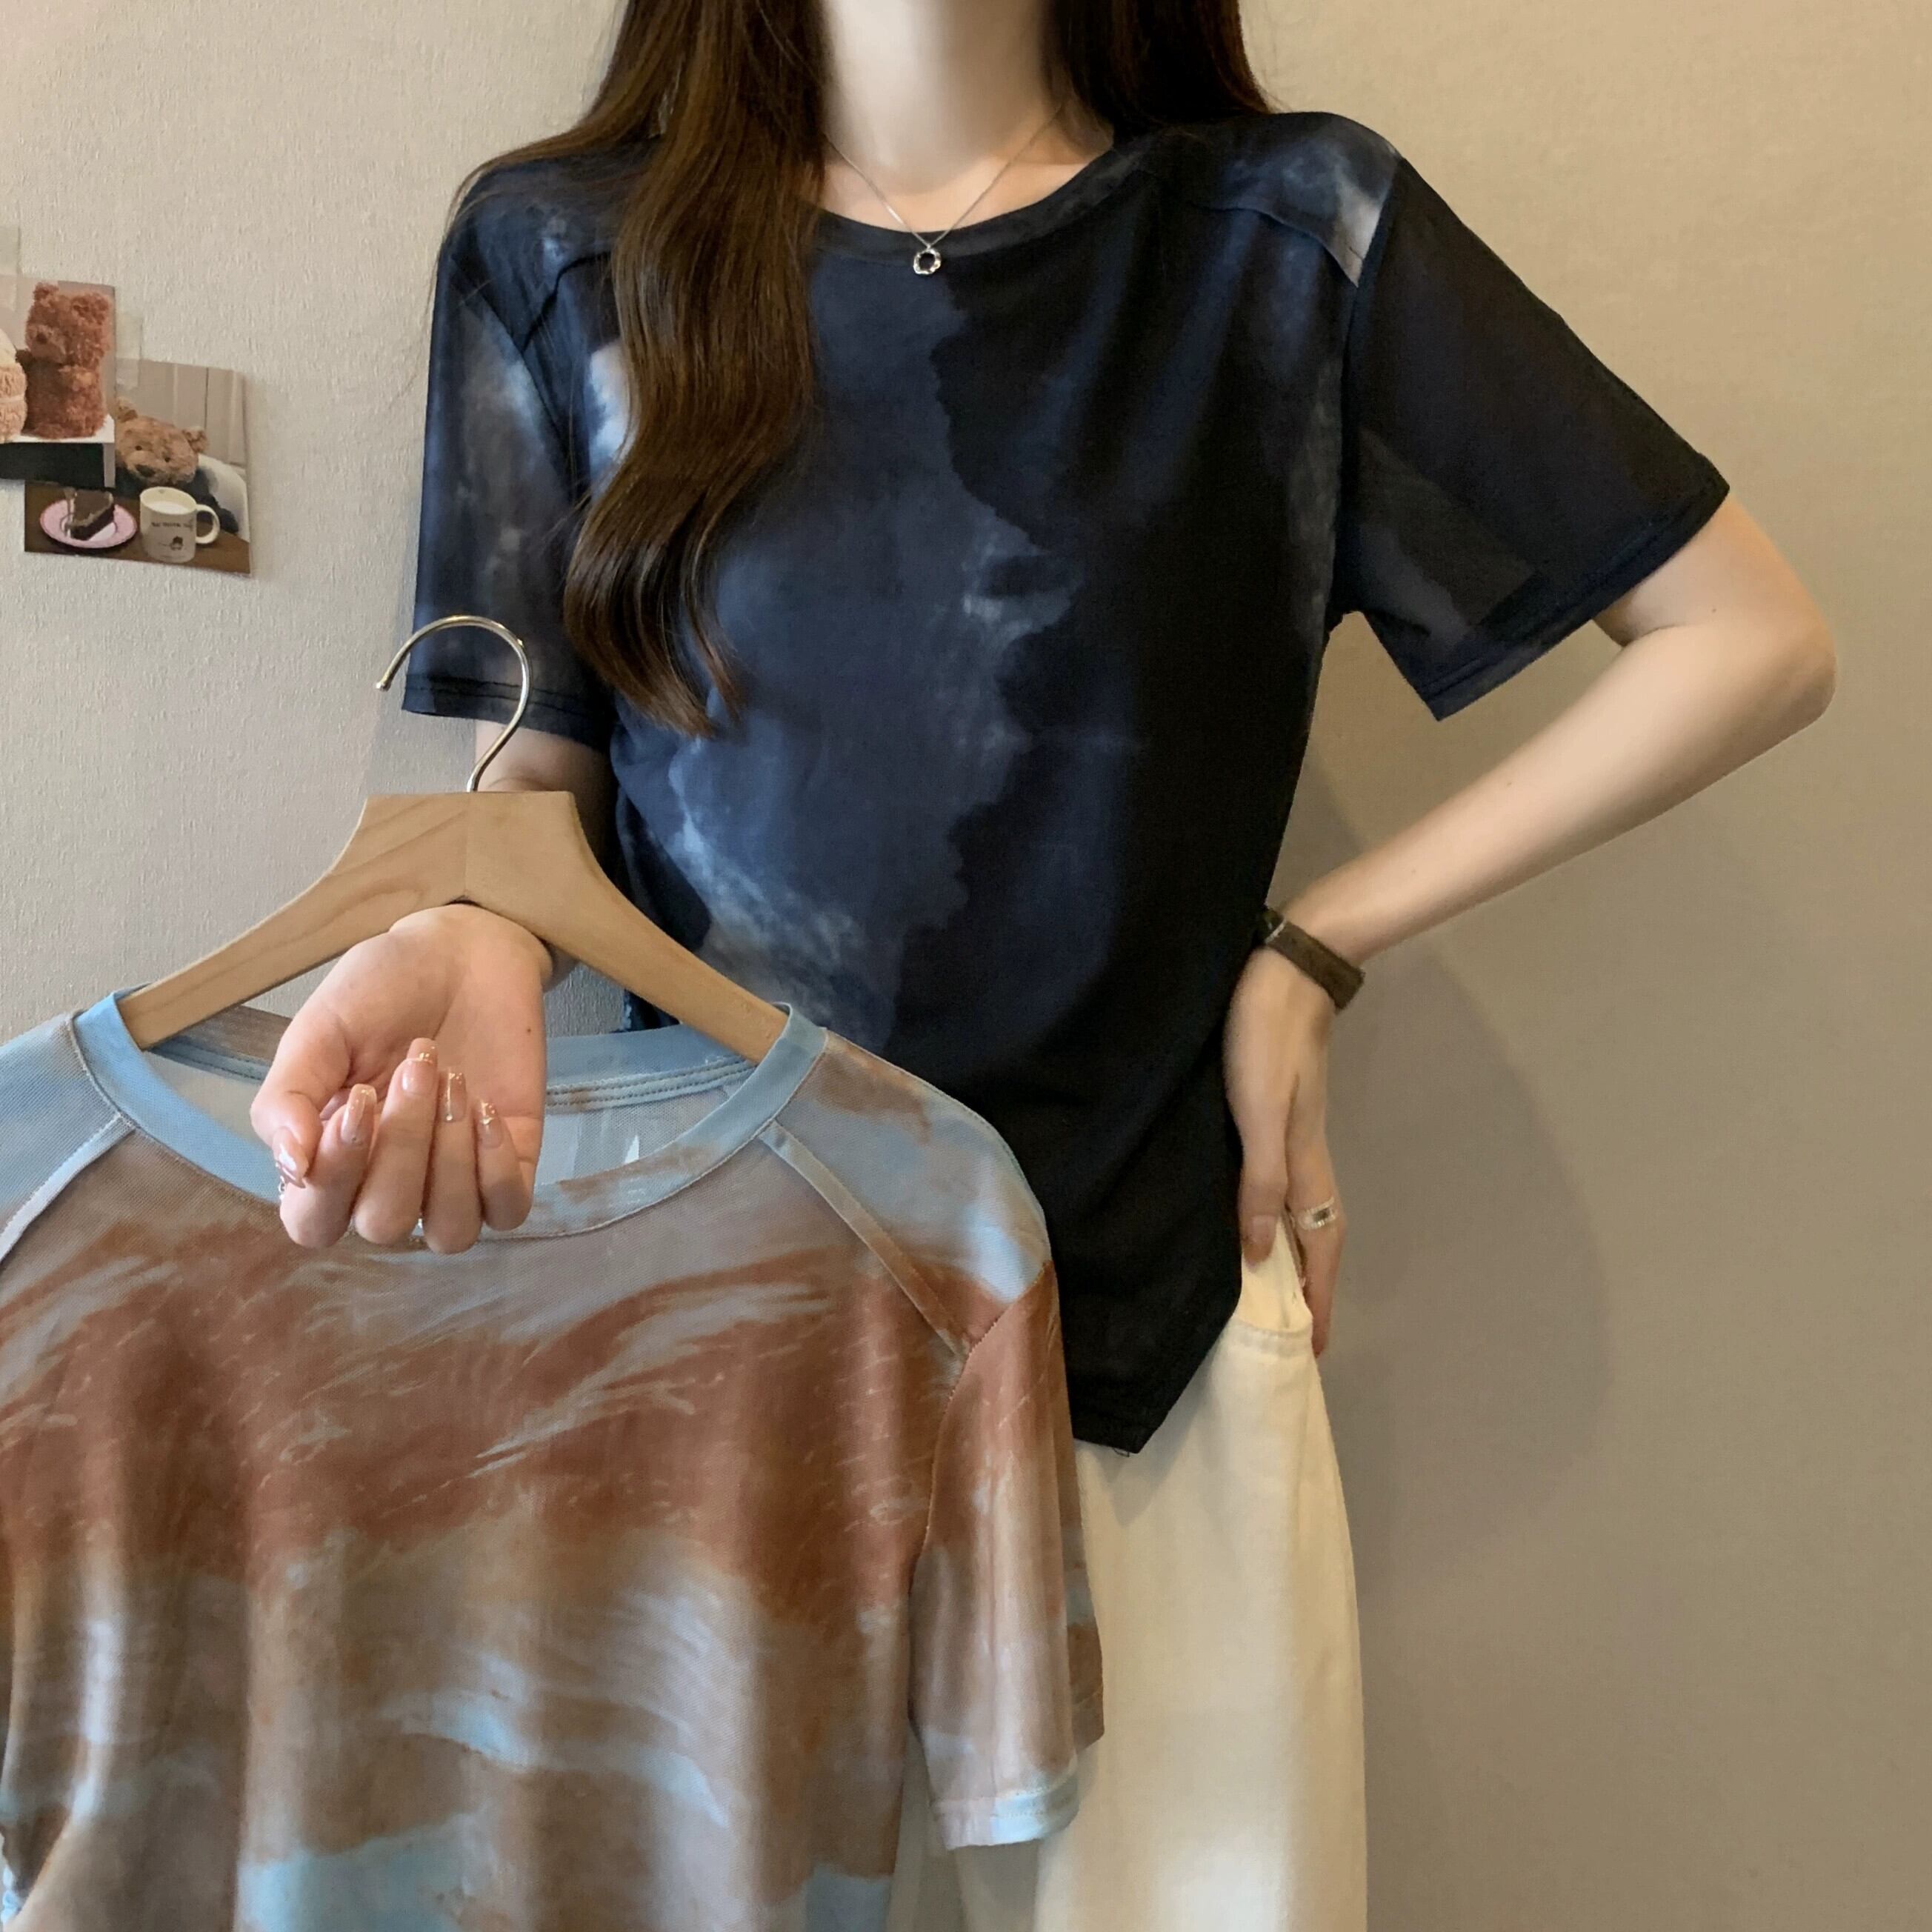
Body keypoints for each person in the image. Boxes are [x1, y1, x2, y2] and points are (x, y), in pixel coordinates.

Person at [248, 1, 1838, 1926]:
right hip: (701, 1341)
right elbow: (521, 765)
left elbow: (1747, 642)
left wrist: (1316, 949)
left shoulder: (1283, 239)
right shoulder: (565, 250)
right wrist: (460, 927)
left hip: (1142, 1330)